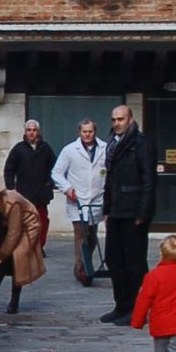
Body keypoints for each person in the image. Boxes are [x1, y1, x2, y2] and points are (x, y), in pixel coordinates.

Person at [101, 104, 155, 326]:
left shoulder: (141, 143)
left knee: (134, 263)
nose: (116, 123)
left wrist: (143, 212)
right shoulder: (112, 144)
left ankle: (135, 308)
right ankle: (121, 305)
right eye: (114, 119)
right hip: (115, 210)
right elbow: (109, 180)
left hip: (133, 210)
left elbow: (149, 180)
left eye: (121, 119)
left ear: (130, 120)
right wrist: (106, 209)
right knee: (114, 259)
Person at [52, 118, 107, 281]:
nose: (87, 134)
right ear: (79, 132)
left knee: (92, 237)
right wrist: (68, 189)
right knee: (81, 236)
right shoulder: (70, 150)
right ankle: (81, 269)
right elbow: (57, 172)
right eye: (84, 132)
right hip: (77, 200)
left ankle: (85, 263)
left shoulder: (104, 149)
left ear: (94, 132)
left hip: (97, 200)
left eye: (90, 131)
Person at [3, 119, 57, 253]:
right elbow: (9, 169)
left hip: (41, 193)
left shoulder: (46, 148)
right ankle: (25, 246)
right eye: (29, 130)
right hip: (24, 194)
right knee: (23, 222)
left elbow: (56, 167)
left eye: (34, 130)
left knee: (42, 222)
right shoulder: (18, 149)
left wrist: (50, 182)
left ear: (38, 132)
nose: (31, 133)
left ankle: (38, 247)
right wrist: (11, 189)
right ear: (25, 132)